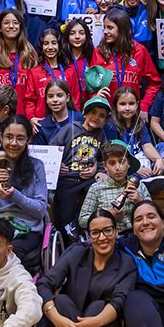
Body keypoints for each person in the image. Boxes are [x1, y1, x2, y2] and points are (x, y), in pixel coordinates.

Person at [0, 115, 49, 274]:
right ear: (1, 137)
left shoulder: (37, 166)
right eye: (9, 137)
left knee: (10, 254)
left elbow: (40, 210)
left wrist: (14, 195)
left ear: (28, 140)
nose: (14, 143)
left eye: (20, 138)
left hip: (27, 228)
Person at [51, 97, 112, 240]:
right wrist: (57, 165)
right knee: (64, 207)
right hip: (68, 178)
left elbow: (104, 158)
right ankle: (67, 232)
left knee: (95, 192)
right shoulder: (70, 128)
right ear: (85, 114)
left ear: (105, 121)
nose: (96, 117)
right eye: (93, 112)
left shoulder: (101, 135)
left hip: (88, 180)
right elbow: (52, 149)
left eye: (101, 116)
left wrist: (98, 170)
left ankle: (84, 228)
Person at [92, 8, 162, 111]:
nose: (105, 31)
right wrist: (96, 97)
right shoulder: (99, 52)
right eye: (104, 27)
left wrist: (144, 106)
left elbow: (154, 83)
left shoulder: (140, 51)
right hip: (106, 112)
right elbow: (91, 86)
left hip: (132, 112)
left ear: (122, 29)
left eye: (110, 28)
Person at [79, 140, 151, 233]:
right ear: (105, 166)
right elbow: (82, 220)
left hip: (137, 235)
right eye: (112, 163)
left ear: (128, 164)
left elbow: (152, 213)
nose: (118, 167)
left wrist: (139, 201)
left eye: (122, 161)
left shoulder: (139, 186)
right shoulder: (96, 188)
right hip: (109, 237)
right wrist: (107, 215)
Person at [0, 9, 41, 119]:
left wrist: (32, 115)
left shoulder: (31, 54)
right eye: (6, 23)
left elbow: (36, 89)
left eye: (15, 23)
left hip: (25, 117)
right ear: (0, 28)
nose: (11, 26)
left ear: (21, 27)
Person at [34, 80, 82, 145]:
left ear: (67, 98)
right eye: (50, 96)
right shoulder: (41, 126)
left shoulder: (79, 119)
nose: (55, 100)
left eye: (59, 95)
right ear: (46, 100)